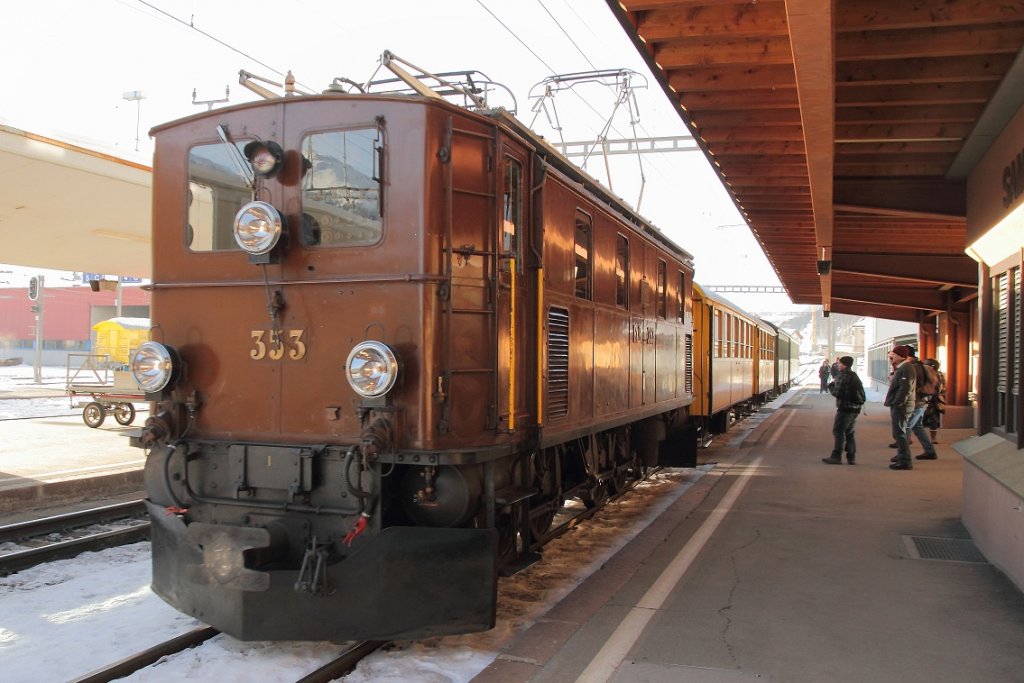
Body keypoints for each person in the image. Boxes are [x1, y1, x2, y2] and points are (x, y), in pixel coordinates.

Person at [822, 355, 865, 465]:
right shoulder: (854, 375)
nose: (838, 365)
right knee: (850, 432)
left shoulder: (842, 376)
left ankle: (836, 456)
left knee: (839, 431)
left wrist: (831, 386)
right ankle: (851, 457)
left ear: (844, 364)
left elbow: (838, 393)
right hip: (855, 409)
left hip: (845, 408)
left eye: (840, 363)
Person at [903, 347, 940, 461]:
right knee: (917, 427)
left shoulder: (913, 367)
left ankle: (903, 455)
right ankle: (929, 451)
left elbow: (908, 386)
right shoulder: (921, 366)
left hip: (915, 401)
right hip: (923, 400)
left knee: (905, 426)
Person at [884, 345, 916, 470]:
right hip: (901, 404)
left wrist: (897, 402)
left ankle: (905, 461)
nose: (892, 356)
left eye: (894, 354)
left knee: (900, 433)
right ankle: (902, 456)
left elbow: (905, 388)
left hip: (902, 405)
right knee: (899, 432)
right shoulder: (902, 367)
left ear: (900, 355)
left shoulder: (906, 368)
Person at [922, 358, 946, 444]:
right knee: (933, 419)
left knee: (920, 419)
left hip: (925, 398)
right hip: (935, 398)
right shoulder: (940, 375)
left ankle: (931, 438)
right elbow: (943, 388)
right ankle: (933, 438)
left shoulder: (925, 375)